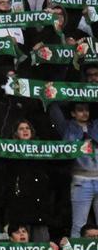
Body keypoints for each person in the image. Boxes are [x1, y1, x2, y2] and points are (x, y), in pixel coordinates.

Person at [49, 99, 98, 237]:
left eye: (87, 109)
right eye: (80, 110)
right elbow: (54, 108)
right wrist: (69, 94)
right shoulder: (67, 127)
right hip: (81, 181)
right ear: (73, 113)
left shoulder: (96, 125)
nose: (84, 113)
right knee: (78, 225)